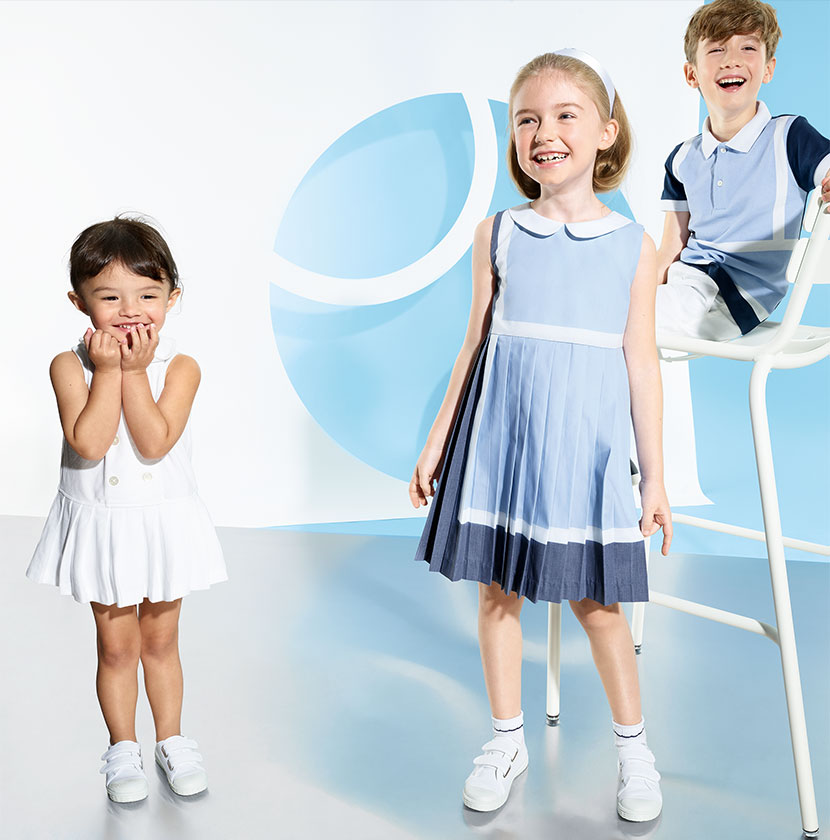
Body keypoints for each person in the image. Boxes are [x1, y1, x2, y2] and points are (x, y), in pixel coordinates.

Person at [410, 50, 672, 822]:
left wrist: (655, 477)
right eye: (527, 119)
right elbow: (473, 344)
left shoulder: (632, 246)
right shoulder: (497, 233)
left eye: (565, 116)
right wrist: (437, 441)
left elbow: (643, 364)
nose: (544, 132)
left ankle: (635, 752)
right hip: (504, 447)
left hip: (585, 453)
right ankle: (506, 740)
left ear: (606, 133)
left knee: (599, 604)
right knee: (498, 596)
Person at [27, 217, 227, 803]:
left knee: (161, 642)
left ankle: (173, 740)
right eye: (110, 297)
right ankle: (123, 748)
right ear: (79, 302)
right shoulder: (69, 365)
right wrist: (110, 371)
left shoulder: (181, 367)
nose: (130, 311)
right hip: (104, 526)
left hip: (161, 523)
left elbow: (154, 441)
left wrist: (135, 373)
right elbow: (90, 443)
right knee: (117, 647)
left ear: (172, 298)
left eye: (147, 295)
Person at [656, 0, 830, 339]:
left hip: (735, 298)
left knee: (619, 317)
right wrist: (639, 291)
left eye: (747, 48)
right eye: (716, 49)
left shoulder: (788, 136)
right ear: (692, 74)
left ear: (768, 69)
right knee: (610, 301)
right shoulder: (682, 158)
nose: (731, 60)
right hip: (684, 286)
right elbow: (670, 250)